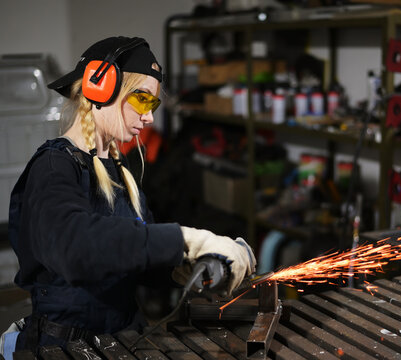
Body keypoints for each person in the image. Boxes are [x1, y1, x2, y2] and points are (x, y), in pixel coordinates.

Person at [1, 36, 256, 356]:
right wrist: (184, 238)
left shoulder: (120, 172)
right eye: (142, 100)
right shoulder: (54, 167)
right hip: (65, 348)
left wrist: (181, 268)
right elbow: (75, 246)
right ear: (100, 89)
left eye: (153, 104)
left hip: (121, 341)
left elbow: (131, 256)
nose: (149, 117)